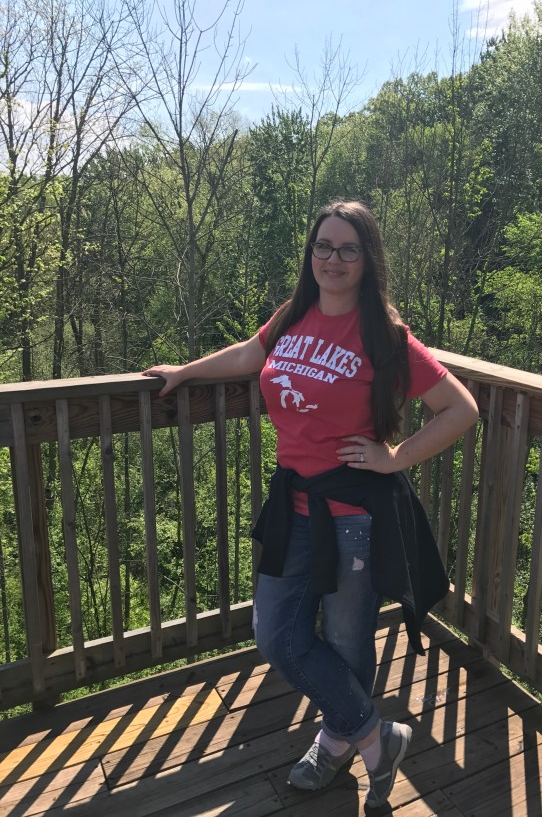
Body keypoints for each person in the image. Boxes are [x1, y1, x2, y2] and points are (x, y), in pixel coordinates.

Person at [143, 200, 478, 808]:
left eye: (348, 248)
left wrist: (396, 457)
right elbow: (250, 353)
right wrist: (184, 372)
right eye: (324, 246)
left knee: (348, 639)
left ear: (368, 260)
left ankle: (336, 741)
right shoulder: (294, 314)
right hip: (293, 505)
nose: (333, 259)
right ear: (311, 253)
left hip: (353, 516)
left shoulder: (386, 337)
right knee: (275, 634)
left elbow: (461, 409)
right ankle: (376, 737)